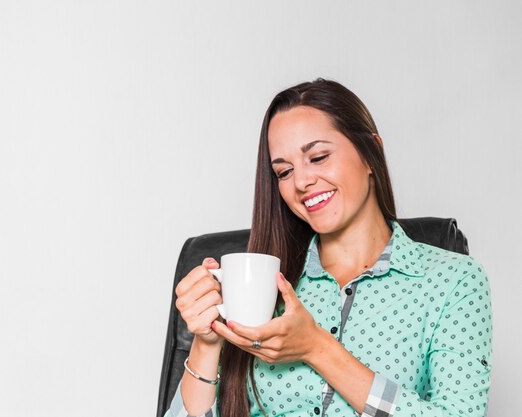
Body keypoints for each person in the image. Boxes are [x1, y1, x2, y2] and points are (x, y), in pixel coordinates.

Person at [164, 78, 492, 417]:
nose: (302, 182)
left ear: (371, 153)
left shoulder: (453, 281)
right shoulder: (260, 287)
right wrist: (207, 343)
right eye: (285, 171)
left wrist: (317, 348)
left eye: (318, 157)